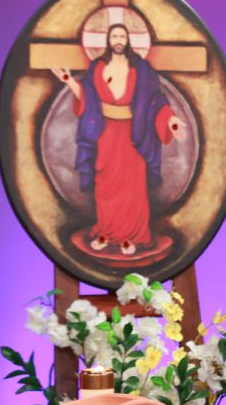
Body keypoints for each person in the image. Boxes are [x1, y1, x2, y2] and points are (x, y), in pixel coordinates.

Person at [52, 24, 186, 256]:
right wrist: (69, 81)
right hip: (106, 134)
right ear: (108, 39)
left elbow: (156, 101)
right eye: (114, 35)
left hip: (133, 134)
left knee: (132, 188)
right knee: (105, 185)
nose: (118, 39)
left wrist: (170, 121)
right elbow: (88, 99)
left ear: (128, 40)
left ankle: (131, 236)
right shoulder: (97, 68)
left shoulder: (141, 69)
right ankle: (106, 231)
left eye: (122, 35)